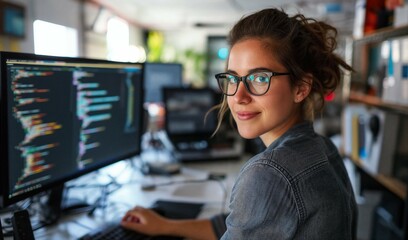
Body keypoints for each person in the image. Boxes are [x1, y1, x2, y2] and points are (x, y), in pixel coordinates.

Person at [121, 7, 357, 240]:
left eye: (260, 78)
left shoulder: (269, 173)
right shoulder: (323, 149)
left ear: (301, 88)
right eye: (233, 78)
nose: (238, 96)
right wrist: (166, 226)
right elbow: (242, 223)